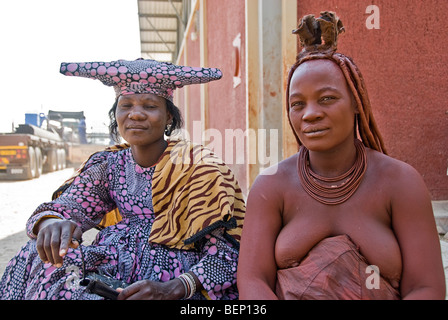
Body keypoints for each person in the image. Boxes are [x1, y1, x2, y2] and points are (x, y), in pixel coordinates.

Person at [237, 12, 445, 300]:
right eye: (297, 104)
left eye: (327, 99)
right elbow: (252, 281)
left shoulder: (400, 182)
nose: (310, 114)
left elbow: (426, 288)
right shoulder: (271, 187)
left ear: (356, 103)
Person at [0, 58, 245, 300]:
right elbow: (68, 208)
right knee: (38, 252)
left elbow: (229, 251)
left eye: (149, 106)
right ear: (115, 113)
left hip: (175, 283)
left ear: (169, 117)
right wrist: (51, 224)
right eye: (126, 105)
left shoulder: (198, 167)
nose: (136, 114)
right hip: (111, 268)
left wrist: (175, 287)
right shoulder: (110, 165)